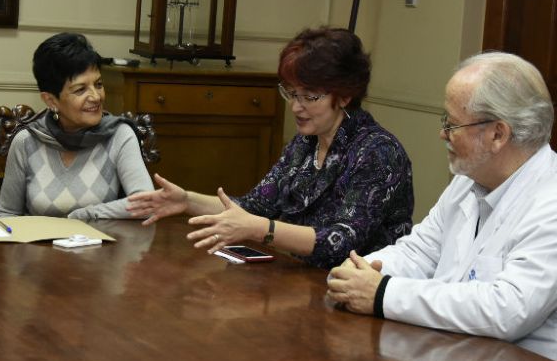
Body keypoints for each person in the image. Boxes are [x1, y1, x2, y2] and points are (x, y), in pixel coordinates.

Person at [326, 52, 557, 361]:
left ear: (497, 134)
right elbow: (419, 252)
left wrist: (382, 294)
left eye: (452, 124)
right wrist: (360, 271)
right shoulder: (467, 180)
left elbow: (508, 308)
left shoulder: (550, 200)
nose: (442, 134)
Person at [128, 27, 414, 268]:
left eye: (309, 96)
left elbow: (339, 242)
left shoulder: (378, 152)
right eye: (291, 92)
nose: (295, 106)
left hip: (357, 291)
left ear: (344, 96)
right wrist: (187, 201)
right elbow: (255, 207)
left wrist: (262, 230)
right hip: (302, 281)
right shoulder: (305, 144)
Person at [0, 33, 154, 220]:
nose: (96, 97)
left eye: (99, 84)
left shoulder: (119, 135)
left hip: (103, 247)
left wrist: (87, 215)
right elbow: (6, 213)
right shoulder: (26, 142)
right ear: (51, 100)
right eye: (80, 89)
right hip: (38, 248)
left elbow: (146, 204)